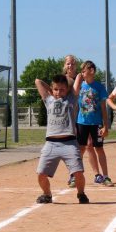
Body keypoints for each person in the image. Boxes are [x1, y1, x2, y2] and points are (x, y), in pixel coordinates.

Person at [35, 74, 89, 204]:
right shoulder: (48, 99)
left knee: (78, 173)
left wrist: (74, 83)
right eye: (56, 89)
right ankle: (47, 194)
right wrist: (51, 90)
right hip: (51, 143)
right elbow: (38, 81)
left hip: (69, 143)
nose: (59, 92)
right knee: (41, 174)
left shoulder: (71, 99)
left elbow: (77, 82)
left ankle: (81, 194)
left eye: (62, 89)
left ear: (67, 90)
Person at [63, 55, 104, 187]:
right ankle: (73, 175)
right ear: (64, 65)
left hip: (83, 119)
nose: (71, 66)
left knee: (89, 145)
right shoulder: (64, 80)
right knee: (77, 149)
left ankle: (97, 174)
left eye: (73, 64)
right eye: (68, 64)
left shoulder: (81, 79)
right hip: (70, 119)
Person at [74, 60, 114, 187]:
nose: (82, 73)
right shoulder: (79, 86)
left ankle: (106, 176)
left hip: (96, 123)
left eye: (84, 71)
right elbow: (74, 105)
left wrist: (106, 126)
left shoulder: (99, 87)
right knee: (82, 148)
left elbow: (103, 108)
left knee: (99, 148)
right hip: (81, 123)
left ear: (92, 71)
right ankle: (75, 175)